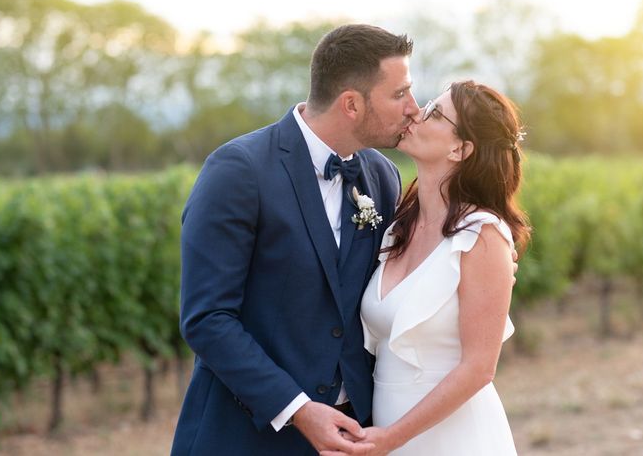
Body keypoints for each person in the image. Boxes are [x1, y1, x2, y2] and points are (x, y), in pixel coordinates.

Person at [170, 24, 420, 455]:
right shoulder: (238, 172)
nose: (414, 108)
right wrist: (300, 410)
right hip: (244, 437)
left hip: (354, 437)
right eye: (400, 94)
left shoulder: (382, 176)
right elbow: (207, 319)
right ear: (351, 104)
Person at [331, 80, 530, 455]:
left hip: (453, 438)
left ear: (460, 148)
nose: (417, 115)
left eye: (435, 114)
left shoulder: (482, 236)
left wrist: (393, 437)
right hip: (388, 435)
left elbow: (478, 369)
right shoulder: (396, 229)